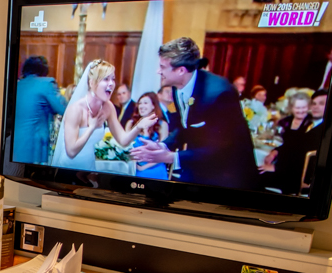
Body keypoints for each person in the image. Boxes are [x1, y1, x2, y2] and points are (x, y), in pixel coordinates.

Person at [129, 37, 261, 190]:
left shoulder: (219, 94)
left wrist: (172, 157)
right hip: (195, 166)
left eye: (163, 67)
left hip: (227, 176)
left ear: (180, 70)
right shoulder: (176, 86)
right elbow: (183, 125)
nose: (159, 72)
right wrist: (163, 145)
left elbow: (221, 148)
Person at [51, 60, 157, 170]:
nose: (111, 84)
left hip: (89, 168)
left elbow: (123, 141)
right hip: (67, 168)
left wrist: (138, 126)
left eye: (113, 79)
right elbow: (71, 152)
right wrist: (91, 128)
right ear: (92, 83)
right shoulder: (76, 109)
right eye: (106, 79)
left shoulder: (108, 107)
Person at [13, 55, 68, 164]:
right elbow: (64, 109)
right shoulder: (46, 84)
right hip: (34, 147)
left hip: (13, 146)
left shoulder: (18, 85)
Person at [259, 92, 311, 194]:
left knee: (255, 178)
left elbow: (300, 154)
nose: (300, 111)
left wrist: (277, 168)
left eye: (303, 107)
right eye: (297, 107)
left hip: (292, 173)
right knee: (252, 174)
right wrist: (274, 153)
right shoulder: (288, 121)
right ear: (291, 108)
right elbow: (288, 145)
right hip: (282, 167)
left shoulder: (310, 125)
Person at [126, 92, 170, 180]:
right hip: (134, 167)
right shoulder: (130, 124)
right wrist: (136, 165)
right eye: (140, 103)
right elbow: (125, 147)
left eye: (145, 103)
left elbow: (164, 152)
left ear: (153, 106)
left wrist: (143, 168)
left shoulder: (162, 125)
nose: (141, 106)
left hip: (155, 166)